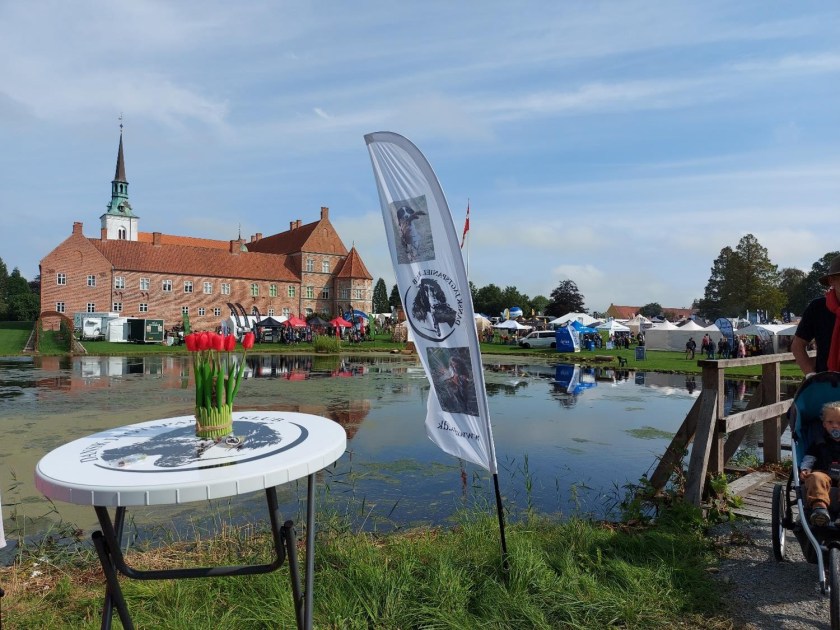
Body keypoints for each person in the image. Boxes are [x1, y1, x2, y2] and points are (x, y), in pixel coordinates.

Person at [793, 254, 840, 377]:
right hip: (826, 385)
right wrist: (811, 376)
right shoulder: (818, 307)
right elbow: (798, 345)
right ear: (832, 280)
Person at [800, 400, 840, 526]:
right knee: (815, 477)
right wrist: (805, 468)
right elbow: (809, 458)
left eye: (839, 423)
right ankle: (820, 509)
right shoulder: (819, 442)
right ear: (824, 425)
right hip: (824, 473)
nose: (835, 426)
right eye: (830, 422)